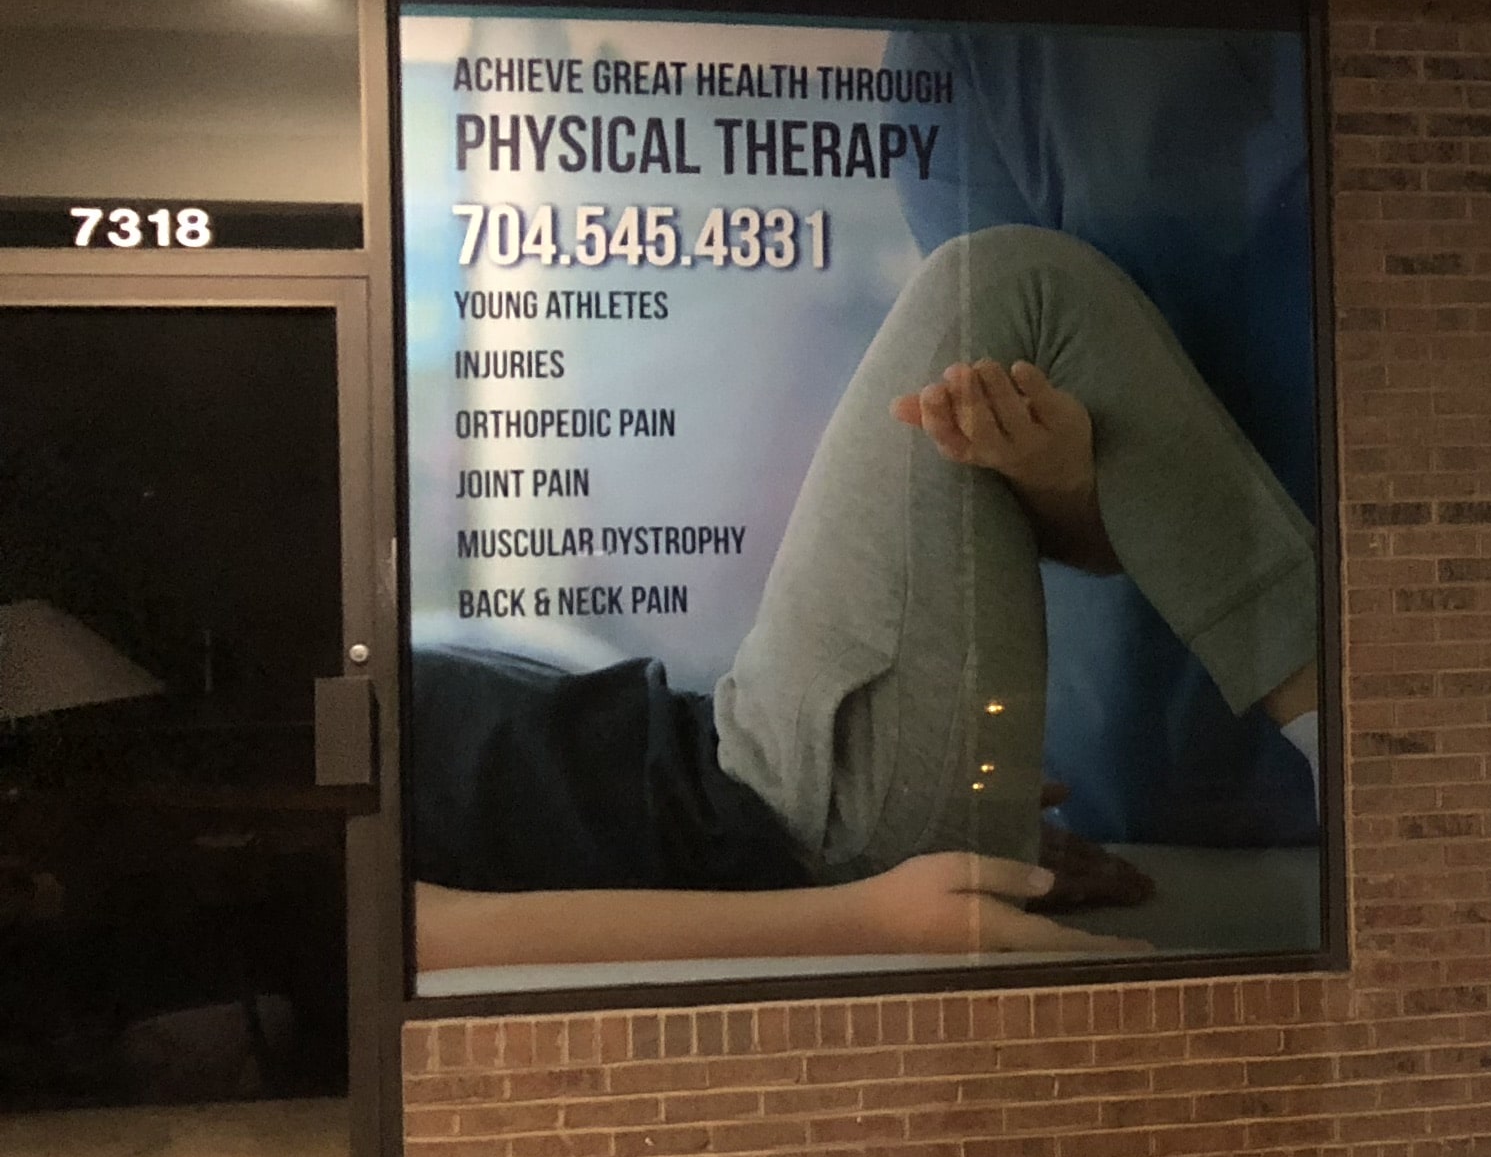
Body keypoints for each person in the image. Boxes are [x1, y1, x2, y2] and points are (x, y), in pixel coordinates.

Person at [411, 227, 1321, 971]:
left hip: (752, 776)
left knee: (1001, 321)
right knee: (1010, 289)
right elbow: (432, 936)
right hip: (778, 820)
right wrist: (869, 918)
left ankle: (1339, 727)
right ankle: (1352, 743)